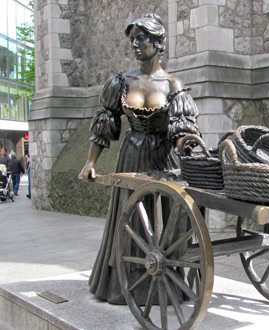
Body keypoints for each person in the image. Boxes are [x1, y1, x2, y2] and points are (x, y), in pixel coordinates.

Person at [78, 13, 201, 305]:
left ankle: (167, 278)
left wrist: (187, 146)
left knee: (169, 219)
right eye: (132, 38)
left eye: (142, 38)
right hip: (132, 156)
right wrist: (90, 161)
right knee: (130, 218)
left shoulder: (173, 85)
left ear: (158, 43)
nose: (135, 44)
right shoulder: (121, 81)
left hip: (164, 158)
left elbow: (182, 128)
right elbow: (105, 123)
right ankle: (125, 284)